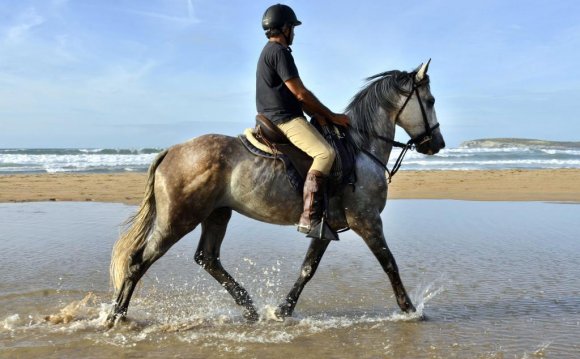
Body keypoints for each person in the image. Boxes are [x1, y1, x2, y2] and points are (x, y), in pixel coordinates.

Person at [256, 4, 349, 240]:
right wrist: (332, 116)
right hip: (284, 120)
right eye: (292, 28)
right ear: (285, 28)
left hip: (278, 115)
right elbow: (300, 93)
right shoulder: (280, 52)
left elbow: (296, 96)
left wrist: (317, 114)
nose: (294, 33)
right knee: (326, 154)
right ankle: (310, 218)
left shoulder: (269, 51)